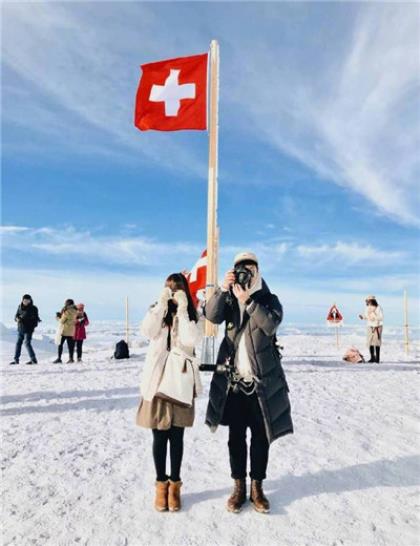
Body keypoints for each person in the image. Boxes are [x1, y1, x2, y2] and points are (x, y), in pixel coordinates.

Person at [204, 251, 293, 514]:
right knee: (235, 437)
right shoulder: (229, 298)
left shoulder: (269, 299)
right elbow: (211, 316)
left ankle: (257, 487)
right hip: (233, 381)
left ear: (258, 271)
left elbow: (270, 325)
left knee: (260, 438)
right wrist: (222, 290)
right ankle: (238, 487)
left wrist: (250, 302)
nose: (245, 272)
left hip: (261, 381)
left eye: (249, 268)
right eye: (240, 268)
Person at [136, 273, 202, 512]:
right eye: (169, 287)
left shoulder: (193, 315)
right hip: (157, 383)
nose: (173, 291)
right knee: (159, 437)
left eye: (177, 287)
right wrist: (161, 304)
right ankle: (160, 485)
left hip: (180, 385)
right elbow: (147, 331)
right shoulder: (157, 311)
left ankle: (175, 486)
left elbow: (190, 340)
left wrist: (183, 309)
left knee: (177, 437)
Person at [10, 294, 41, 365]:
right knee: (18, 344)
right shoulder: (20, 306)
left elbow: (34, 318)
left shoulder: (33, 308)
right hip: (20, 328)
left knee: (27, 343)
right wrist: (17, 318)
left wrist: (23, 318)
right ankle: (16, 360)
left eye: (27, 300)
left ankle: (33, 360)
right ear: (22, 300)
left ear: (30, 300)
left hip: (29, 329)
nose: (26, 302)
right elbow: (16, 315)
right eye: (24, 300)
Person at [359, 296, 384, 363]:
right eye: (366, 301)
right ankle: (372, 358)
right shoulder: (367, 308)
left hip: (377, 326)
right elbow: (367, 316)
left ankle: (377, 359)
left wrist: (374, 316)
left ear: (372, 300)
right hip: (370, 326)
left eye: (368, 300)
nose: (367, 302)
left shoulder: (378, 307)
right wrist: (363, 317)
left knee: (377, 342)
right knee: (370, 342)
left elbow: (381, 317)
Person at [53, 299, 78, 364]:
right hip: (71, 331)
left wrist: (58, 317)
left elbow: (61, 321)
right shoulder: (75, 311)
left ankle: (59, 358)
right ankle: (71, 359)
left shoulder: (66, 311)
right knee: (71, 346)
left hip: (64, 331)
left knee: (60, 344)